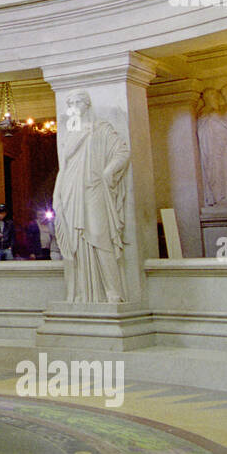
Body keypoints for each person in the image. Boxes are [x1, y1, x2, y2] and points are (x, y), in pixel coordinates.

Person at [53, 90, 130, 303]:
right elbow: (65, 164)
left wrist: (109, 171)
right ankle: (81, 293)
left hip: (94, 188)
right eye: (71, 102)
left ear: (87, 104)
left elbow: (122, 152)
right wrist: (57, 195)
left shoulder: (101, 129)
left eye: (78, 101)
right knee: (75, 242)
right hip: (71, 189)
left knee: (99, 236)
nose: (75, 105)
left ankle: (113, 290)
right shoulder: (69, 133)